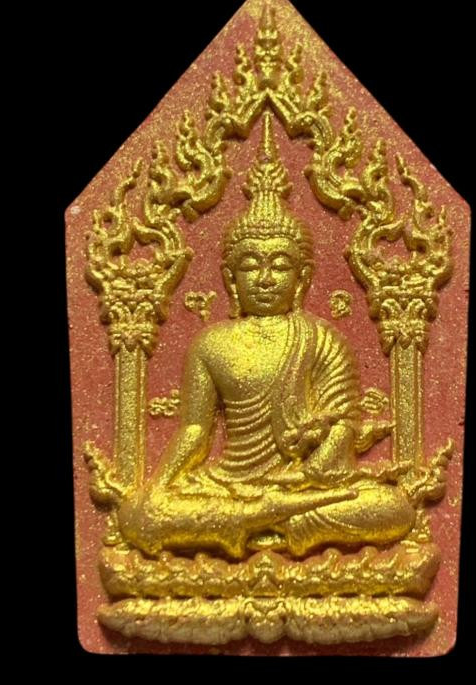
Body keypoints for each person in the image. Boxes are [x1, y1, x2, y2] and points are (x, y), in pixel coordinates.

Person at [118, 114, 415, 559]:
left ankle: (258, 521)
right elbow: (196, 429)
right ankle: (262, 519)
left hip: (303, 487)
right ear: (230, 279)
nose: (265, 277)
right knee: (138, 513)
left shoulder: (321, 338)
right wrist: (160, 485)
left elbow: (343, 426)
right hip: (228, 485)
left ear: (302, 278)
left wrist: (308, 474)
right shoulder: (212, 343)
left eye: (279, 265)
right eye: (250, 265)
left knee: (392, 508)